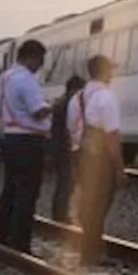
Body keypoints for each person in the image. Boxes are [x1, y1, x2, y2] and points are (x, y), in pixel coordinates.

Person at [0, 39, 51, 254]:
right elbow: (37, 110)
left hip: (10, 138)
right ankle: (20, 241)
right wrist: (52, 107)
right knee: (27, 193)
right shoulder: (26, 79)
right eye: (41, 60)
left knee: (10, 188)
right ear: (32, 57)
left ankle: (1, 233)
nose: (41, 65)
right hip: (29, 140)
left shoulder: (5, 78)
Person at [66, 58, 122, 263]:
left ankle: (89, 248)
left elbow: (71, 131)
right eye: (111, 71)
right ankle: (91, 252)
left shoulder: (77, 98)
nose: (112, 75)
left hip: (82, 154)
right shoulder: (106, 97)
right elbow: (112, 134)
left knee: (90, 202)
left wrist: (74, 160)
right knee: (100, 204)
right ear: (105, 72)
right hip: (101, 158)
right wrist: (119, 166)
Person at [49, 74, 86, 224]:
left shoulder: (60, 102)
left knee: (64, 181)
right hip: (66, 148)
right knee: (66, 181)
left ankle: (59, 213)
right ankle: (61, 215)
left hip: (59, 147)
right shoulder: (70, 104)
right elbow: (69, 128)